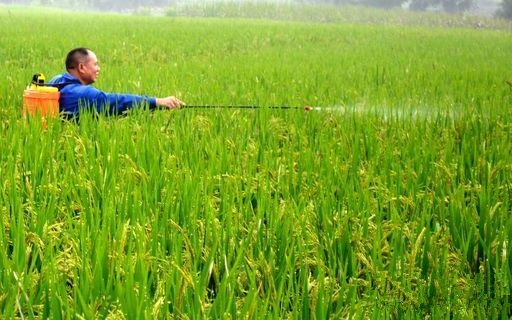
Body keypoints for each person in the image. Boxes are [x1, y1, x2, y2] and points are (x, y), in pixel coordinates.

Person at [49, 48, 184, 120]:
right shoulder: (84, 94)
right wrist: (158, 102)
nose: (98, 68)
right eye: (95, 64)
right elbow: (118, 102)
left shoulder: (57, 81)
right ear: (81, 67)